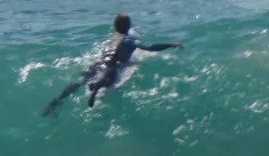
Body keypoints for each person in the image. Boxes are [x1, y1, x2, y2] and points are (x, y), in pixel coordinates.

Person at [46, 14, 183, 113]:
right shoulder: (129, 41)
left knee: (79, 82)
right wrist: (170, 44)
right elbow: (150, 47)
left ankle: (57, 101)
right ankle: (94, 92)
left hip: (97, 65)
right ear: (128, 26)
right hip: (111, 68)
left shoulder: (109, 40)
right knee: (102, 81)